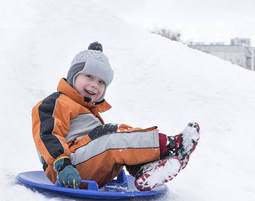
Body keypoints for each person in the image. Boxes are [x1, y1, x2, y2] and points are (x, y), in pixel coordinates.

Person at [32, 42, 200, 191]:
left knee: (117, 134)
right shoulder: (56, 103)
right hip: (68, 169)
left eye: (101, 82)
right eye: (89, 76)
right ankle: (171, 146)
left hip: (89, 165)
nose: (94, 85)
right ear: (73, 76)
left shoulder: (87, 110)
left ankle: (145, 170)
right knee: (112, 138)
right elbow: (47, 134)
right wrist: (62, 163)